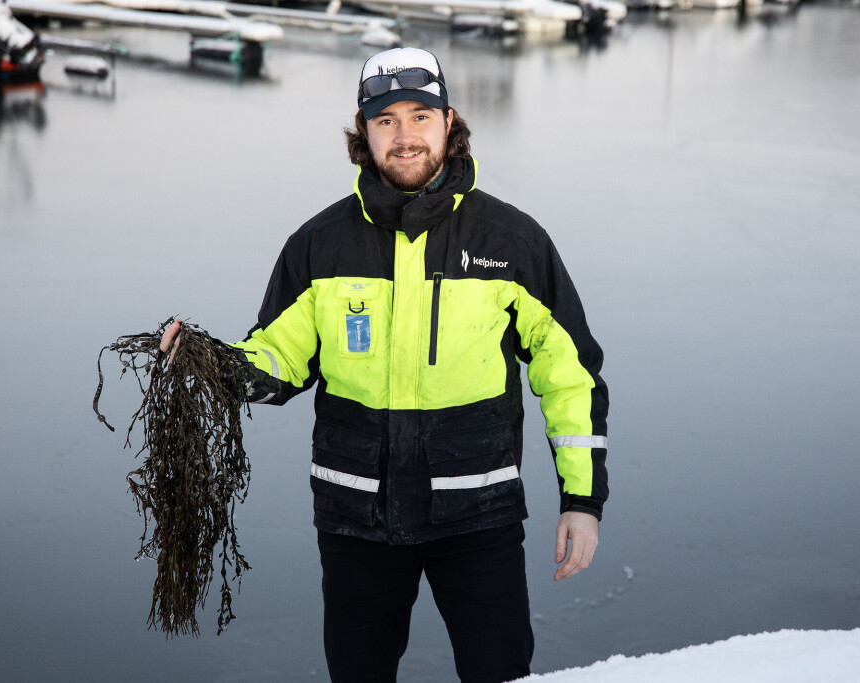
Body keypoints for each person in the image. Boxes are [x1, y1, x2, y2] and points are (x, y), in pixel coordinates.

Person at [160, 46, 608, 683]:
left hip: (477, 517)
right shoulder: (318, 245)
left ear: (448, 122)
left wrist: (582, 501)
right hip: (356, 520)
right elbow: (279, 357)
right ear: (363, 132)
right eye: (386, 120)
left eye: (420, 116)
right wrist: (212, 364)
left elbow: (570, 378)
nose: (405, 136)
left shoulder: (511, 242)